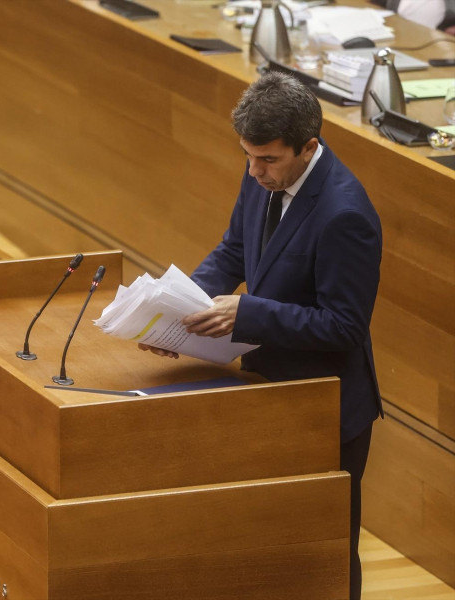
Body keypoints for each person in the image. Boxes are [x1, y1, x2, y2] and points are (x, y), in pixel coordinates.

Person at [140, 71, 383, 600]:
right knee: (264, 546)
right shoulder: (262, 176)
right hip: (266, 394)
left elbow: (344, 326)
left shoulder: (345, 214)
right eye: (248, 157)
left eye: (268, 159)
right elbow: (233, 251)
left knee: (324, 555)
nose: (254, 171)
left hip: (324, 409)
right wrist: (181, 311)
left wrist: (246, 313)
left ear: (309, 146)